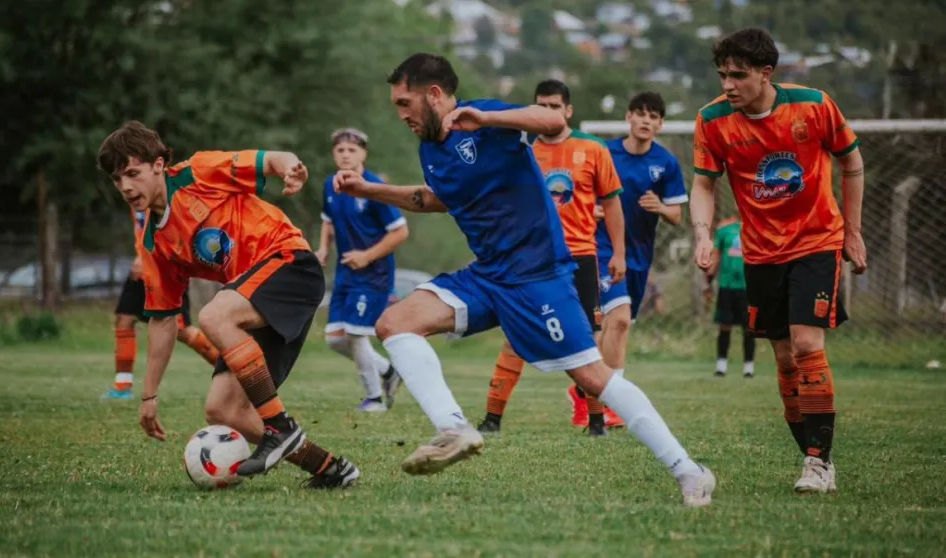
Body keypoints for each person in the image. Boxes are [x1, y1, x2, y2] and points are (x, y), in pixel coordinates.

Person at [334, 53, 716, 507]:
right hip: (488, 274)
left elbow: (549, 118)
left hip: (538, 276)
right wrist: (369, 189)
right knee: (395, 323)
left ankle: (689, 472)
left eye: (404, 103)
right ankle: (454, 429)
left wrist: (489, 116)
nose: (400, 115)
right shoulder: (430, 148)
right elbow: (437, 199)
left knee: (593, 377)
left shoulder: (486, 118)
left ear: (433, 94)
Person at [97, 121, 360, 489]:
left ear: (158, 164)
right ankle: (331, 469)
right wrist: (149, 394)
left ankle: (280, 428)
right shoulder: (153, 244)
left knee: (213, 315)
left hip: (289, 263)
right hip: (251, 298)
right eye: (116, 179)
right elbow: (163, 320)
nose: (125, 187)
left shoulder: (198, 172)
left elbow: (270, 160)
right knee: (223, 409)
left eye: (132, 173)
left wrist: (290, 168)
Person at [689, 28, 867, 494]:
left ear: (766, 74)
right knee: (785, 358)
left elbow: (851, 162)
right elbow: (705, 184)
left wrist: (853, 231)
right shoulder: (711, 120)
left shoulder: (812, 104)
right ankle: (813, 456)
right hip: (760, 252)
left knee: (808, 345)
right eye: (723, 75)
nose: (728, 85)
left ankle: (817, 463)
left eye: (738, 76)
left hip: (815, 241)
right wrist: (703, 235)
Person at [476, 79, 625, 436]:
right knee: (514, 338)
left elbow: (612, 202)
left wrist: (618, 252)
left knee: (585, 340)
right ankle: (492, 420)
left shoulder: (593, 149)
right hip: (533, 260)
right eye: (540, 106)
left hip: (581, 259)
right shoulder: (522, 152)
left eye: (554, 106)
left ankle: (596, 421)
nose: (547, 112)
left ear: (568, 110)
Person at [592, 92, 687, 389]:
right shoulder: (604, 153)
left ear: (660, 125)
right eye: (641, 113)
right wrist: (590, 208)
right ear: (628, 117)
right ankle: (612, 398)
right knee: (617, 320)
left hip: (639, 255)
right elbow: (583, 193)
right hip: (604, 249)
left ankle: (588, 391)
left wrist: (660, 207)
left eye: (654, 116)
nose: (646, 120)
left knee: (616, 326)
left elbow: (676, 215)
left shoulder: (666, 162)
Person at [315, 127, 407, 412]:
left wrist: (367, 256)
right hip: (346, 273)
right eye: (340, 150)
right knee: (335, 339)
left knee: (356, 335)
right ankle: (390, 372)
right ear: (334, 154)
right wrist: (323, 249)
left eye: (352, 150)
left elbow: (400, 232)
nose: (345, 155)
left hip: (374, 274)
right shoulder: (330, 184)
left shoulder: (374, 187)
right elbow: (328, 220)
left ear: (363, 154)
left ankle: (374, 398)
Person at [102, 208, 220, 400]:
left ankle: (231, 370)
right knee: (124, 319)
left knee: (183, 330)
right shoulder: (133, 192)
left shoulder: (164, 190)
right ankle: (122, 386)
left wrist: (146, 253)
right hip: (141, 269)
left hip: (165, 267)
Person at [708, 217, 756, 377]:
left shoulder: (757, 228)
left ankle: (748, 367)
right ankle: (721, 366)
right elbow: (716, 256)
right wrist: (708, 280)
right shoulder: (725, 229)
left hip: (748, 286)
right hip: (727, 285)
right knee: (725, 324)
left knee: (749, 327)